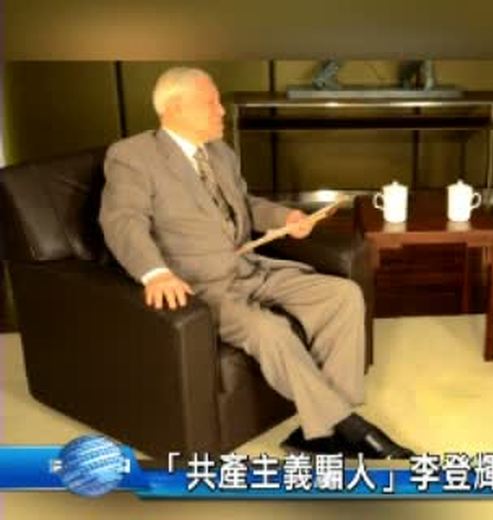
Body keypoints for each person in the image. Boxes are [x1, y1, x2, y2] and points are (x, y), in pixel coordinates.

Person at [99, 66, 413, 459]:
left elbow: (245, 204)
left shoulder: (220, 153)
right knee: (271, 331)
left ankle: (323, 432)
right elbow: (121, 221)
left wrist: (286, 218)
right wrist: (156, 274)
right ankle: (348, 426)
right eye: (211, 103)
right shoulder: (132, 156)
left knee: (343, 295)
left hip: (250, 268)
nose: (221, 111)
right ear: (175, 108)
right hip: (201, 288)